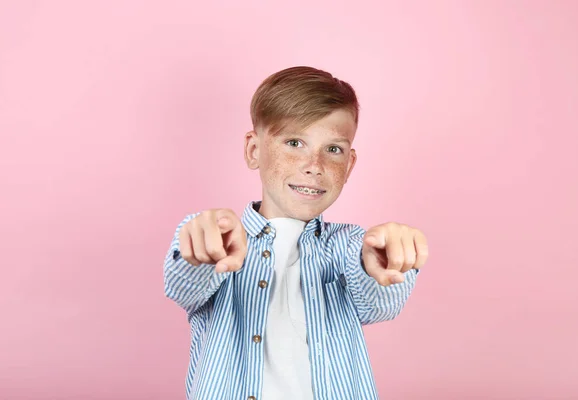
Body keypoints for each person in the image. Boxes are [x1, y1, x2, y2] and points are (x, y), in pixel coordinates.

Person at [163, 66, 429, 400]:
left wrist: (388, 263)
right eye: (294, 142)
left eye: (333, 149)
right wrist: (199, 250)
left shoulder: (350, 246)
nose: (314, 165)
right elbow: (182, 285)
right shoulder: (219, 239)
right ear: (254, 150)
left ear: (350, 165)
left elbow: (379, 305)